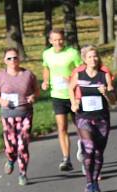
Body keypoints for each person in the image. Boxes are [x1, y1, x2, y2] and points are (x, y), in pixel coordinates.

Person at [70, 45, 115, 192]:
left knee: (98, 152)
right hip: (84, 117)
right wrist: (73, 103)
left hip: (102, 118)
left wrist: (107, 93)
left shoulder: (104, 75)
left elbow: (114, 101)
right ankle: (89, 183)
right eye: (89, 57)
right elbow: (71, 89)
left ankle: (95, 181)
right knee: (89, 149)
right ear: (84, 59)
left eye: (95, 56)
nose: (93, 59)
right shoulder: (79, 75)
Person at [0, 48, 39, 186]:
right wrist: (2, 101)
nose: (13, 61)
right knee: (11, 145)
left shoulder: (28, 74)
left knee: (23, 144)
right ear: (4, 61)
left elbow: (36, 90)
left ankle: (23, 173)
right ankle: (11, 159)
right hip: (8, 114)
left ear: (19, 59)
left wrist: (33, 96)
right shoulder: (1, 76)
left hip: (25, 113)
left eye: (15, 58)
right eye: (9, 58)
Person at [42, 29, 82, 172]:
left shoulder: (72, 53)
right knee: (62, 127)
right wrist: (46, 81)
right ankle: (66, 159)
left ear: (63, 39)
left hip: (74, 95)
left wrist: (72, 79)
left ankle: (83, 149)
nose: (58, 42)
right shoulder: (47, 54)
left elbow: (81, 70)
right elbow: (46, 67)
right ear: (50, 41)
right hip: (57, 95)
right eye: (54, 40)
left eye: (60, 39)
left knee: (81, 127)